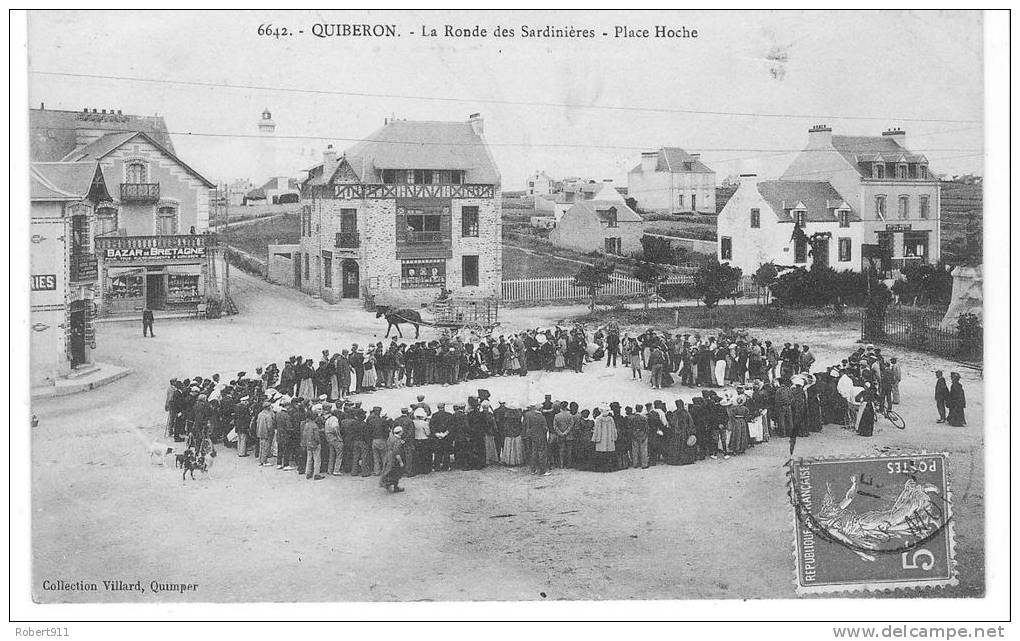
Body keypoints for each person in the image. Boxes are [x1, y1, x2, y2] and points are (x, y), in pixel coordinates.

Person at [523, 403, 549, 475]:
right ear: (540, 409)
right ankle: (543, 470)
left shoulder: (530, 416)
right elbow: (545, 428)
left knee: (534, 452)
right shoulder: (541, 417)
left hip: (533, 436)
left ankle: (533, 469)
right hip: (541, 436)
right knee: (542, 452)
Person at [379, 425, 406, 493]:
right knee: (395, 472)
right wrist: (400, 462)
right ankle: (394, 487)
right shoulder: (398, 441)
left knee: (388, 471)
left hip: (389, 456)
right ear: (399, 432)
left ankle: (389, 485)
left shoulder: (391, 438)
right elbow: (397, 452)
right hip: (394, 459)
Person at [300, 407, 325, 480]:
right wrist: (318, 442)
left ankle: (308, 473)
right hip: (314, 444)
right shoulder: (315, 426)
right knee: (317, 459)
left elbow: (304, 435)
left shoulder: (306, 424)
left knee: (309, 459)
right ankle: (316, 474)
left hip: (308, 443)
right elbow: (317, 437)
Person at [591, 405, 617, 473]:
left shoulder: (598, 419)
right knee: (609, 454)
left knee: (601, 454)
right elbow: (614, 429)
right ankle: (609, 468)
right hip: (609, 439)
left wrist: (594, 438)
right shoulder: (611, 419)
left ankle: (602, 468)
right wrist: (614, 437)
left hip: (601, 439)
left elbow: (596, 430)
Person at [629, 404, 649, 469]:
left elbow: (630, 427)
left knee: (635, 450)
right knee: (643, 450)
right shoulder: (644, 418)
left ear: (636, 409)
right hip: (643, 435)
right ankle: (644, 464)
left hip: (634, 435)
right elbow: (646, 428)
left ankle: (635, 464)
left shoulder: (632, 418)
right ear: (641, 409)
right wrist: (645, 435)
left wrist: (633, 434)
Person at [256, 401, 274, 466]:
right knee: (266, 447)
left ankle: (260, 460)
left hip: (260, 432)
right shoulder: (268, 415)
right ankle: (264, 461)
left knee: (261, 447)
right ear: (268, 407)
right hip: (266, 433)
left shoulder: (260, 414)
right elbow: (270, 426)